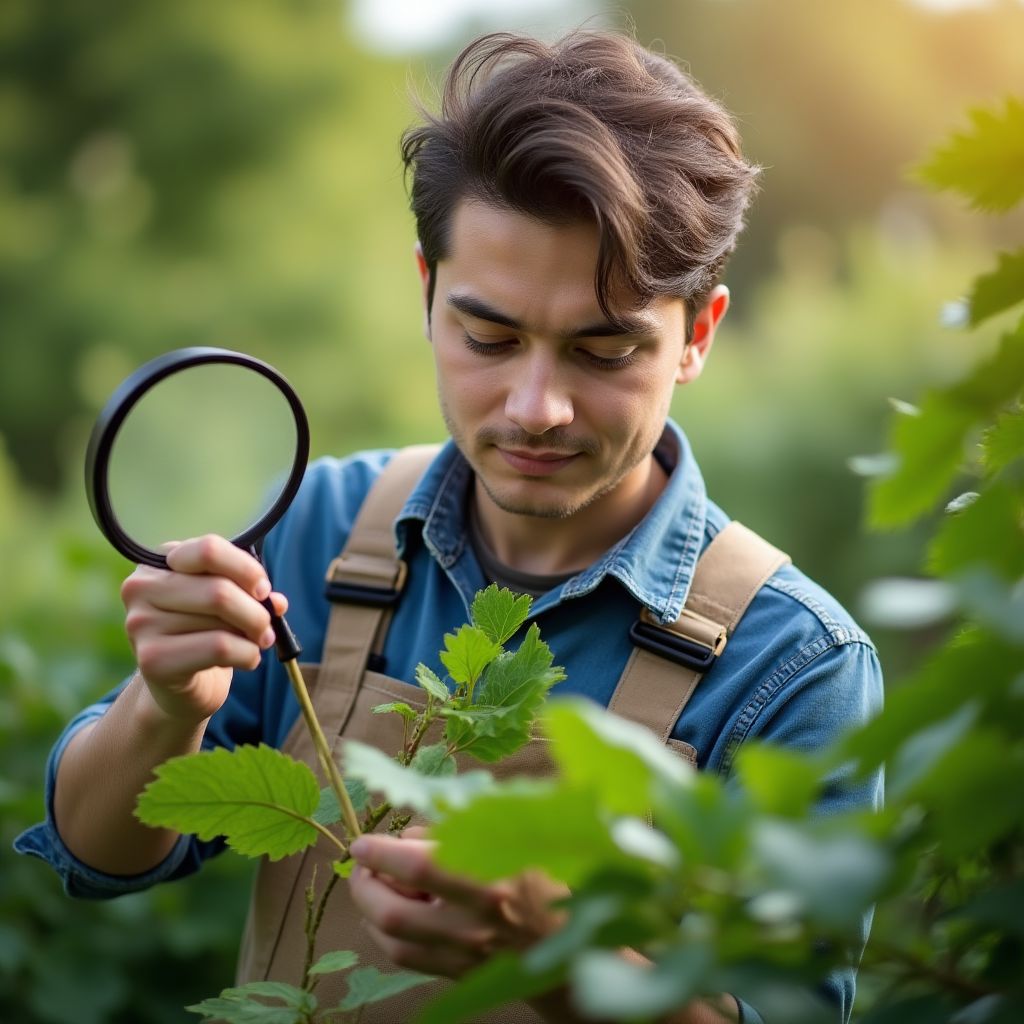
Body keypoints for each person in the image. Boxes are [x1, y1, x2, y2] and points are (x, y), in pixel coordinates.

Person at [15, 29, 883, 1024]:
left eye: (602, 351)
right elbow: (95, 855)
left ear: (698, 334)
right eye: (489, 337)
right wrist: (164, 703)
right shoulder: (322, 529)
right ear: (427, 293)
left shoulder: (792, 665)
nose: (534, 406)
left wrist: (559, 961)